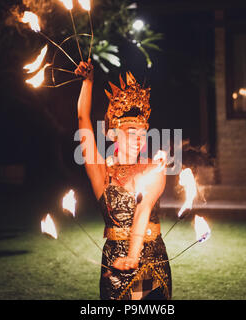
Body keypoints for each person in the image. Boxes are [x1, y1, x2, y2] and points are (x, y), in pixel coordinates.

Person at [74, 59, 172, 300]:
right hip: (115, 261)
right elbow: (82, 118)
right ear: (114, 134)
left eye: (142, 133)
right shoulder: (102, 172)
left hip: (152, 260)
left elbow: (143, 208)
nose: (139, 138)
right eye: (131, 133)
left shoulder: (154, 167)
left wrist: (133, 256)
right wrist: (87, 82)